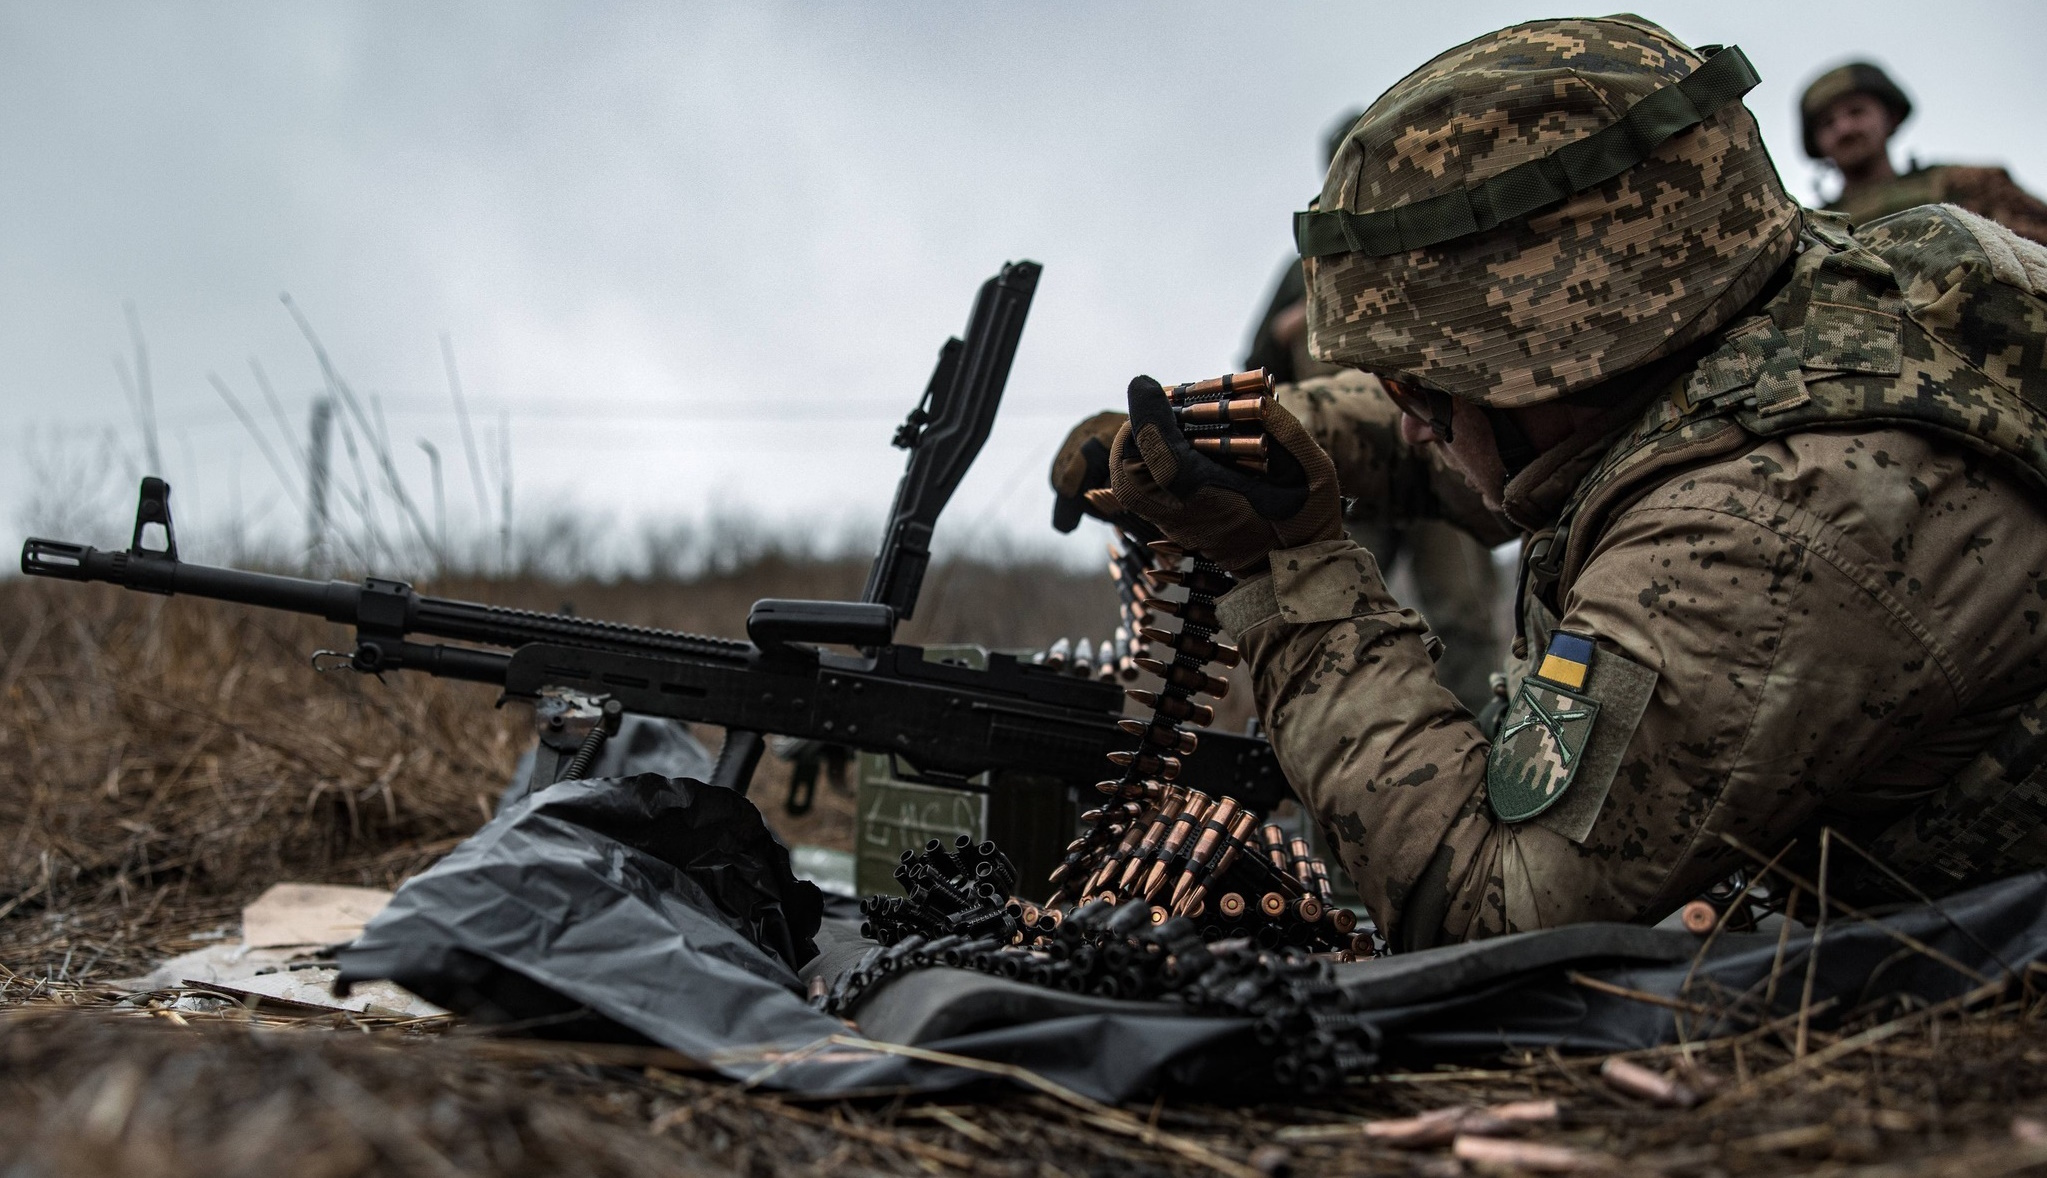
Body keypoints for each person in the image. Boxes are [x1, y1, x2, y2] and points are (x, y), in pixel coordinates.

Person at [1098, 15, 2047, 949]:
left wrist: (1285, 570)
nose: (1411, 420)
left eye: (1418, 388)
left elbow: (1490, 910)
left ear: (1540, 367)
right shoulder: (1823, 291)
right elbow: (1500, 442)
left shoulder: (1751, 535)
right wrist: (1233, 429)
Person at [1802, 61, 2047, 243]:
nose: (1844, 129)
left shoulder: (1966, 184)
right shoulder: (1811, 230)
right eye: (1827, 124)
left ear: (1890, 117)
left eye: (1857, 112)